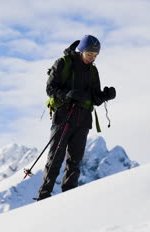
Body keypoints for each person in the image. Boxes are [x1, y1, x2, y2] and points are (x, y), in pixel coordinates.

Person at [36, 35, 116, 201]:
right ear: (81, 50)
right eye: (90, 54)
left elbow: (94, 98)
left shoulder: (93, 71)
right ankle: (43, 196)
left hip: (83, 119)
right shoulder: (63, 63)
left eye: (95, 56)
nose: (92, 58)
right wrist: (67, 95)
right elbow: (50, 88)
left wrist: (105, 96)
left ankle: (69, 198)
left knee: (75, 161)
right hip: (63, 117)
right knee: (55, 158)